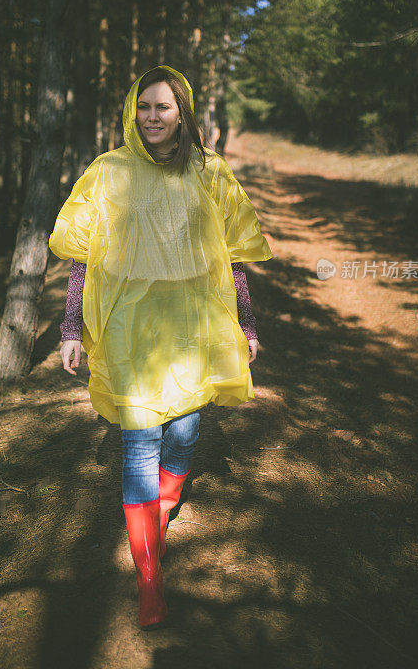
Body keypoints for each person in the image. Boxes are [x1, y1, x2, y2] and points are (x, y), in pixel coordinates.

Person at [48, 65, 273, 629]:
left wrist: (246, 324)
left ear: (182, 113)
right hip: (128, 331)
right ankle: (149, 576)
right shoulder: (108, 172)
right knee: (138, 447)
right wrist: (71, 329)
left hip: (193, 326)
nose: (153, 116)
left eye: (164, 107)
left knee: (185, 432)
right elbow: (81, 258)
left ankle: (164, 509)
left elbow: (234, 259)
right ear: (132, 111)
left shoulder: (209, 172)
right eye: (144, 106)